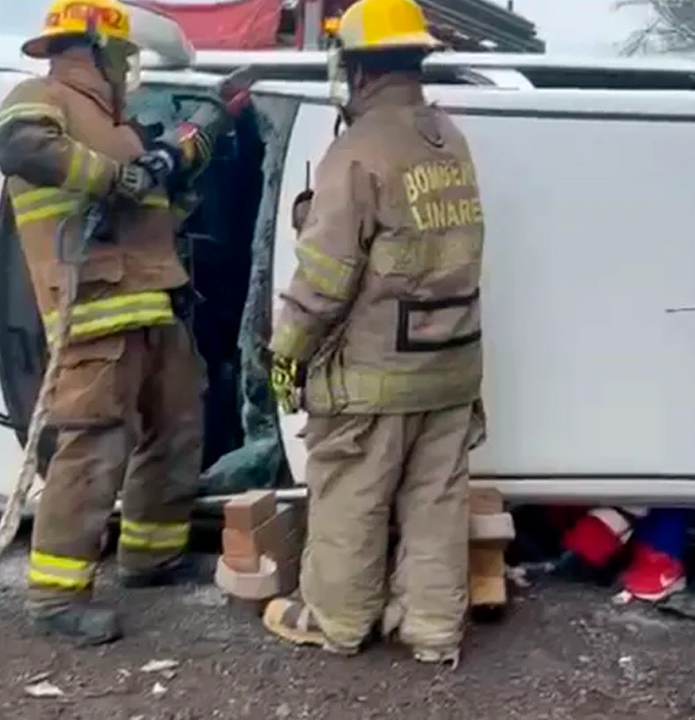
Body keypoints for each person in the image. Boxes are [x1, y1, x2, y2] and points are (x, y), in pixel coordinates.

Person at [0, 0, 221, 646]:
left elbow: (145, 200)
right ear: (98, 50)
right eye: (124, 57)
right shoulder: (42, 96)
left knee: (175, 429)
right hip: (92, 314)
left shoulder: (116, 123)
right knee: (93, 450)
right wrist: (114, 177)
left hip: (152, 302)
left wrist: (177, 161)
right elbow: (15, 142)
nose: (129, 68)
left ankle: (151, 557)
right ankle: (57, 597)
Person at [264, 0, 487, 666]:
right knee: (436, 500)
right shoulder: (449, 139)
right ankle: (431, 629)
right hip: (451, 367)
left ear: (355, 69)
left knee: (351, 496)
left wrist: (286, 357)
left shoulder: (356, 151)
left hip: (373, 372)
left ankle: (336, 621)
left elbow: (325, 281)